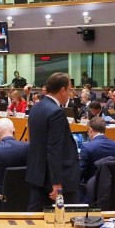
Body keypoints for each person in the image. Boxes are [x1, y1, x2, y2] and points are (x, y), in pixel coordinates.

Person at [24, 73, 81, 210]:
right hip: (56, 178)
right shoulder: (56, 112)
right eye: (69, 89)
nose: (70, 93)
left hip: (38, 175)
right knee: (69, 218)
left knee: (37, 216)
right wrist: (57, 183)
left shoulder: (36, 107)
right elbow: (54, 149)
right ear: (63, 90)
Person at [78, 117, 115, 186]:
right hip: (112, 186)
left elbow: (81, 172)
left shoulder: (86, 147)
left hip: (91, 187)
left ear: (90, 130)